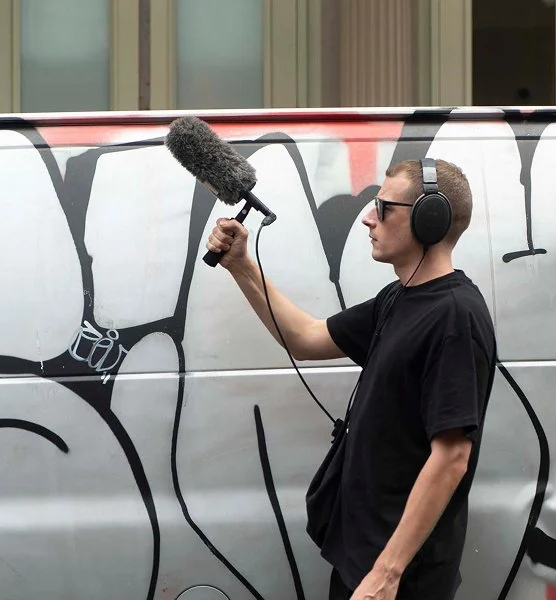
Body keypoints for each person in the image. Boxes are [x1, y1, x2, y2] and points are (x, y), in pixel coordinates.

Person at [206, 158, 497, 600]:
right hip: (364, 559)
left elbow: (452, 456)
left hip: (400, 578)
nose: (368, 218)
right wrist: (241, 265)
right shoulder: (398, 299)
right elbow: (306, 338)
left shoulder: (455, 317)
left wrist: (386, 574)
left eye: (384, 207)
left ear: (430, 218)